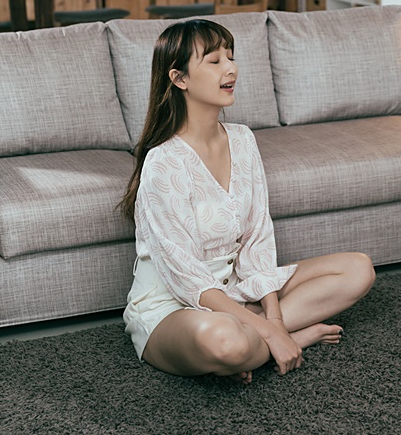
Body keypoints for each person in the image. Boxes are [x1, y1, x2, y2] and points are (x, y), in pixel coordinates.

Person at [119, 19, 376, 384]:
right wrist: (272, 331)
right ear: (179, 79)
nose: (231, 69)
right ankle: (280, 340)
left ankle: (258, 343)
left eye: (230, 56)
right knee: (226, 342)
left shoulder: (242, 140)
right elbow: (185, 276)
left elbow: (257, 238)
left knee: (358, 269)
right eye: (214, 61)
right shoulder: (163, 162)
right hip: (174, 306)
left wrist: (274, 321)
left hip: (237, 290)